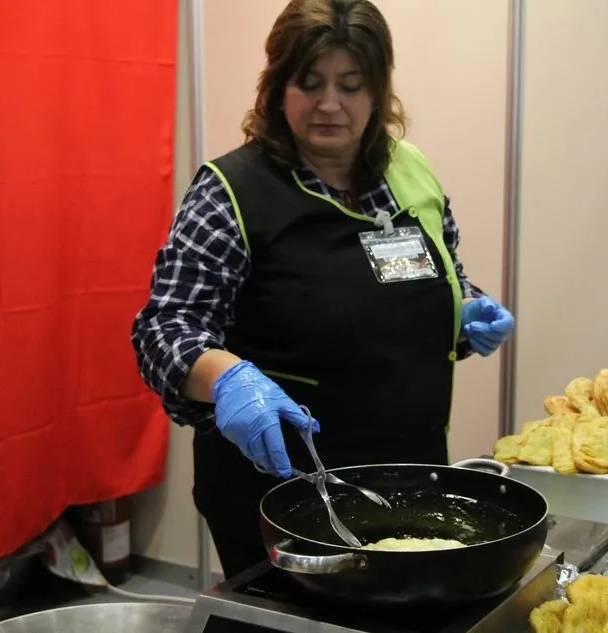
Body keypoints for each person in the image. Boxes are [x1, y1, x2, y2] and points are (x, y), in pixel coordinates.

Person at [130, 0, 515, 580]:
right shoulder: (232, 192)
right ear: (277, 89)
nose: (330, 103)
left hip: (410, 479)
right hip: (283, 501)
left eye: (350, 85)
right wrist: (228, 380)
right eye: (310, 84)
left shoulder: (409, 171)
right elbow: (165, 328)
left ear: (377, 92)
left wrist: (464, 308)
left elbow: (437, 272)